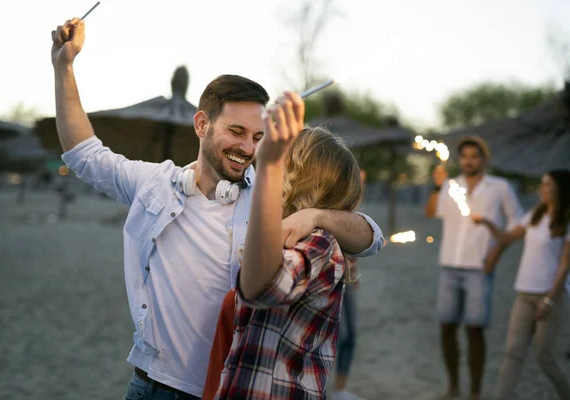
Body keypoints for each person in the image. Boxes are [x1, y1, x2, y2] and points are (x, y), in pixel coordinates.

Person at [51, 18, 384, 400]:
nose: (248, 148)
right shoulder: (155, 184)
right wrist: (64, 66)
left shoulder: (271, 194)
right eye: (237, 132)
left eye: (258, 137)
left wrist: (317, 215)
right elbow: (84, 155)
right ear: (201, 125)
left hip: (227, 389)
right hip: (151, 385)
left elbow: (371, 237)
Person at [216, 97, 368, 399]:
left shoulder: (320, 244)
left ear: (296, 176)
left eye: (284, 160)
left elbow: (260, 287)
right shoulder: (289, 230)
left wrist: (270, 162)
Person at [424, 136, 524, 400]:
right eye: (465, 156)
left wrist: (496, 253)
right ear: (460, 159)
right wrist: (436, 187)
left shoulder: (499, 187)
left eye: (474, 156)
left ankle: (476, 391)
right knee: (447, 326)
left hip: (479, 268)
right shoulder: (449, 185)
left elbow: (518, 225)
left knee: (475, 329)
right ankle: (454, 385)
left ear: (484, 159)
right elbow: (432, 213)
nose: (469, 160)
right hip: (449, 265)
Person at [472, 169, 570, 400]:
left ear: (560, 189)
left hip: (549, 295)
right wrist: (486, 222)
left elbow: (565, 266)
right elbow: (507, 238)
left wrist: (550, 299)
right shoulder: (536, 213)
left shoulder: (566, 220)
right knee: (512, 352)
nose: (542, 189)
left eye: (547, 185)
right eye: (542, 184)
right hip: (524, 293)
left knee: (544, 356)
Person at [332, 169, 367, 400]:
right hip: (329, 277)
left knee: (350, 334)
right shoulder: (326, 205)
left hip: (346, 277)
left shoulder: (349, 209)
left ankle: (339, 389)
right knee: (340, 335)